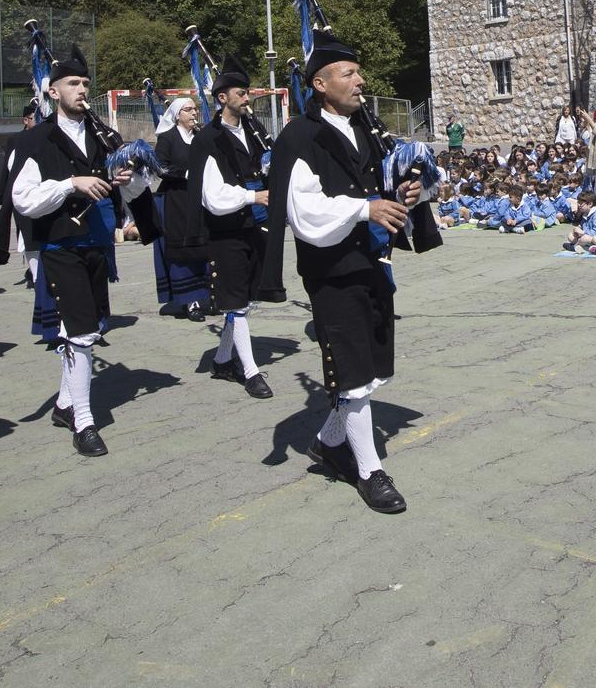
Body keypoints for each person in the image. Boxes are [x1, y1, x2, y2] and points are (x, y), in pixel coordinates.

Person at [267, 29, 438, 515]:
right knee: (354, 370)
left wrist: (406, 193)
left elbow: (386, 185)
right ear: (320, 84)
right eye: (349, 73)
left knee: (370, 366)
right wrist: (365, 210)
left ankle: (328, 441)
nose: (361, 80)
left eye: (358, 71)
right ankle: (368, 471)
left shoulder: (366, 128)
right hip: (330, 270)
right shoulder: (298, 136)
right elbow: (305, 214)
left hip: (372, 262)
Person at [8, 47, 143, 455]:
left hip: (97, 242)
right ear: (52, 92)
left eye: (85, 83)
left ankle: (66, 404)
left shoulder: (104, 137)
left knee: (89, 327)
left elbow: (132, 189)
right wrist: (71, 184)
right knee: (81, 331)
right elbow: (23, 199)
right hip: (58, 245)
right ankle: (83, 420)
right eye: (73, 83)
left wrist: (124, 178)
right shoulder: (34, 139)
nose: (82, 89)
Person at [193, 63, 275, 399]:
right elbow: (212, 197)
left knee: (243, 300)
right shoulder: (208, 139)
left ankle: (223, 359)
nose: (247, 98)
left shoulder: (252, 132)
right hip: (225, 230)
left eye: (247, 92)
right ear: (222, 97)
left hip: (254, 224)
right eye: (241, 94)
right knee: (237, 302)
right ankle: (251, 371)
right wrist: (252, 195)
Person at [152, 98, 212, 319]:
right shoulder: (167, 138)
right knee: (182, 247)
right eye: (188, 110)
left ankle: (206, 295)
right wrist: (185, 174)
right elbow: (159, 167)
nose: (194, 113)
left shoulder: (200, 137)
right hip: (176, 199)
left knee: (202, 244)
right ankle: (190, 301)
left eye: (195, 109)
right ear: (177, 115)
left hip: (199, 199)